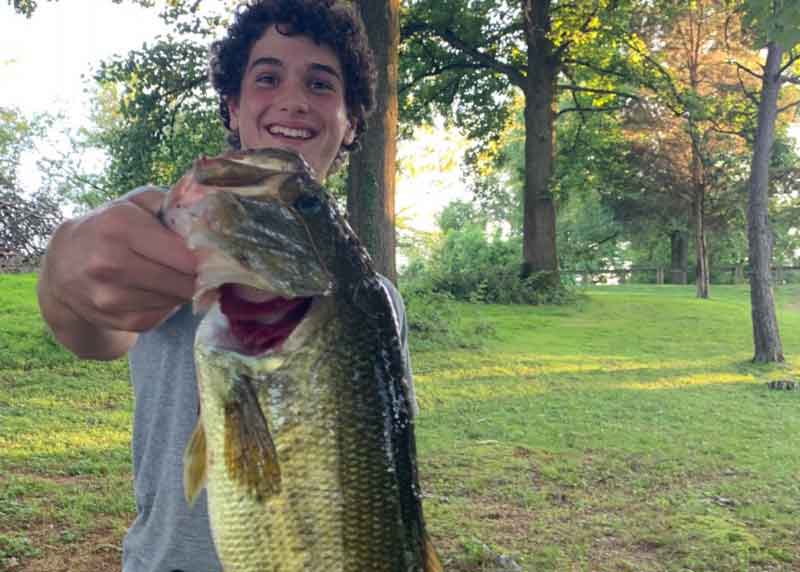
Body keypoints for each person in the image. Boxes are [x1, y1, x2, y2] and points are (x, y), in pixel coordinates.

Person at [37, 2, 414, 571]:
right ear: (234, 107)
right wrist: (65, 274)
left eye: (320, 83)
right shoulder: (166, 236)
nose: (292, 99)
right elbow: (91, 332)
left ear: (351, 120)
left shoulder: (379, 301)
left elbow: (388, 477)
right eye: (267, 77)